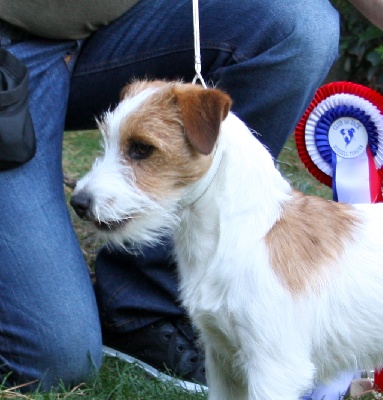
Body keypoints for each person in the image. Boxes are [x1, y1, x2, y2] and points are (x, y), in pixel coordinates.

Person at [0, 0, 340, 392]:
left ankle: (144, 309)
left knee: (301, 24)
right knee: (56, 359)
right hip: (11, 45)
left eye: (140, 151)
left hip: (104, 33)